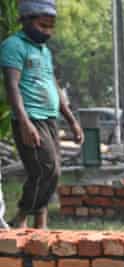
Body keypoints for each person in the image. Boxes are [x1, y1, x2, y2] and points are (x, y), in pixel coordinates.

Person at [0, 0, 82, 229]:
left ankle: (40, 226)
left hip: (49, 117)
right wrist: (25, 123)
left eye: (50, 27)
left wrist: (72, 120)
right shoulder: (13, 46)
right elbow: (12, 86)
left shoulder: (44, 51)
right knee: (46, 170)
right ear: (25, 20)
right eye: (42, 26)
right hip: (30, 118)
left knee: (52, 172)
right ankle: (21, 217)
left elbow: (53, 85)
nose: (48, 32)